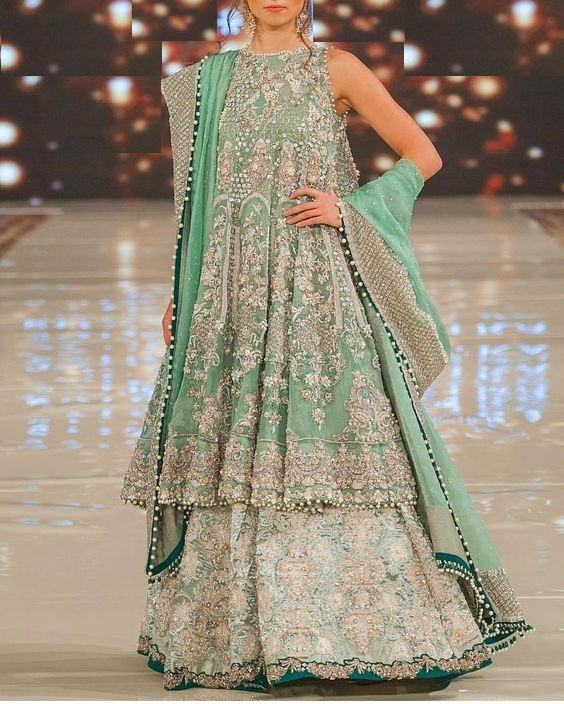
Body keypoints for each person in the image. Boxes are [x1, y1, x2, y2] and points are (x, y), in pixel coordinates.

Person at [120, 0, 532, 692]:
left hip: (317, 286)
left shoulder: (335, 68)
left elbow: (424, 155)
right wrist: (183, 290)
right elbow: (199, 203)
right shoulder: (204, 82)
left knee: (337, 438)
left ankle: (365, 630)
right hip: (232, 293)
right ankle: (242, 635)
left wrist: (351, 208)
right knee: (240, 441)